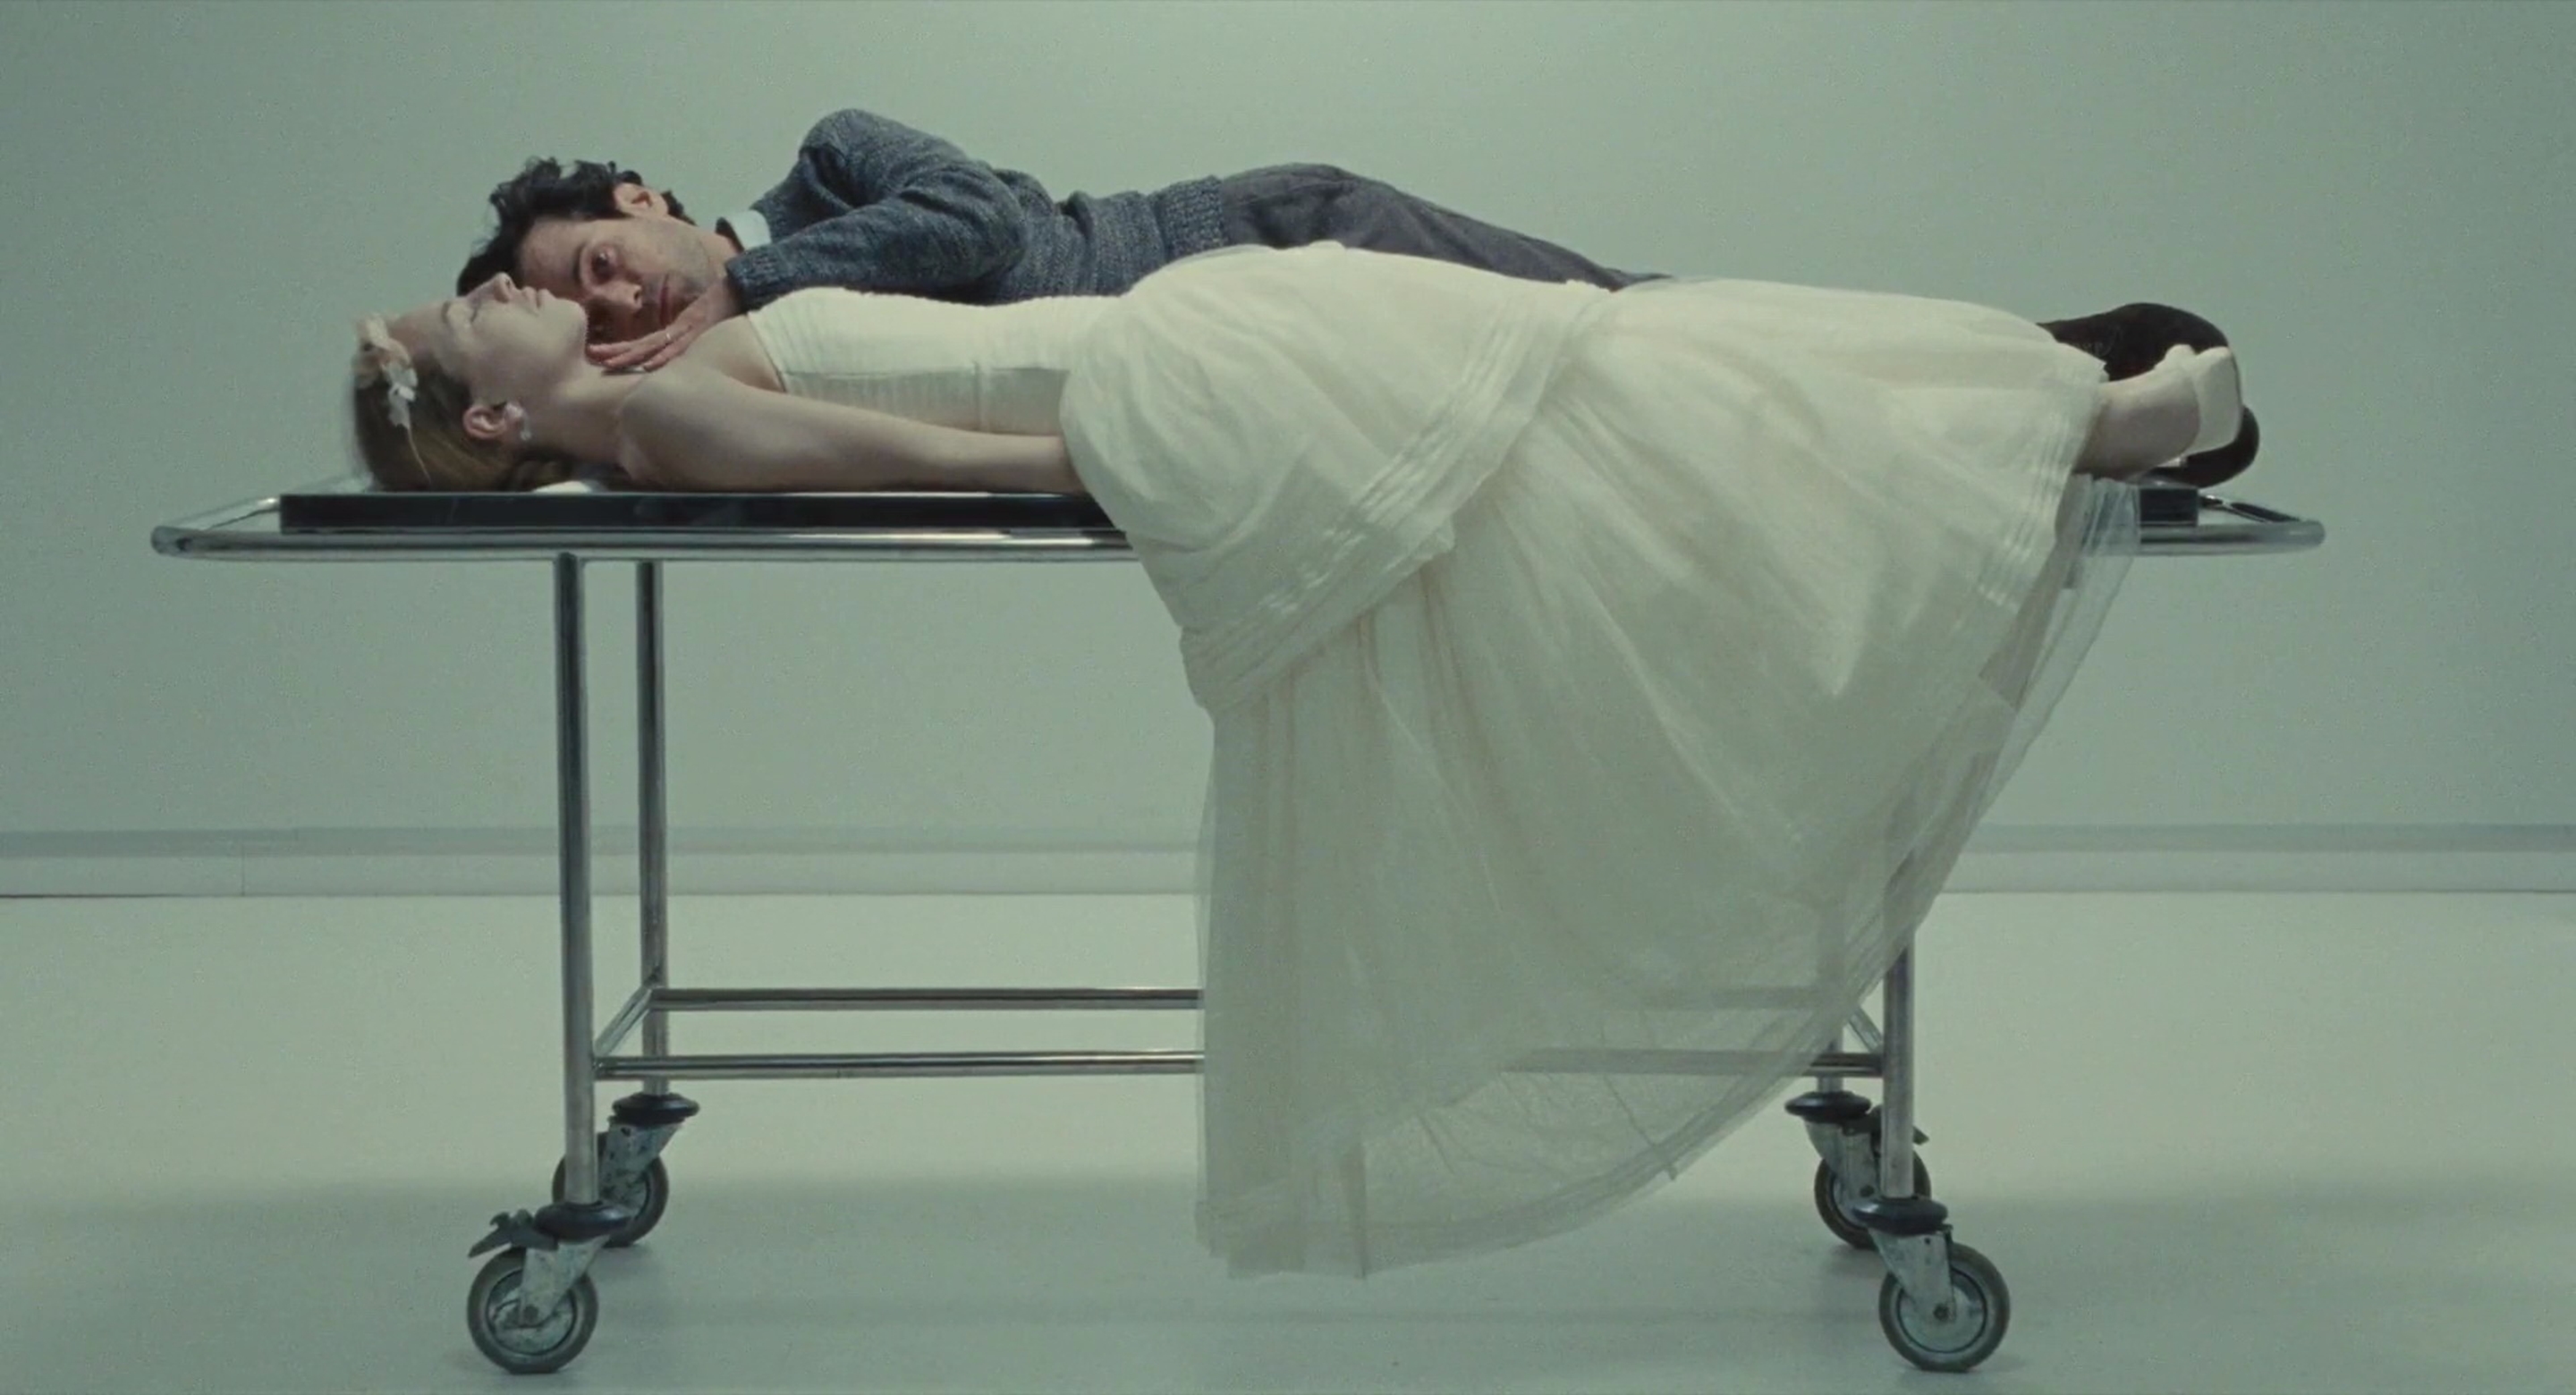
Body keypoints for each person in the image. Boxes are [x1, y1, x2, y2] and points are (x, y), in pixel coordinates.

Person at [352, 246, 2239, 1275]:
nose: (509, 285)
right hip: (1177, 385)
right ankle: (2054, 419)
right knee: (1614, 382)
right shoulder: (671, 416)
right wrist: (1206, 474)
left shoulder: (671, 381)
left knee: (1619, 374)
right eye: (482, 309)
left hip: (1184, 359)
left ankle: (2043, 408)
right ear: (499, 414)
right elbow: (962, 463)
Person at [450, 108, 2256, 484]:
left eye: (599, 260)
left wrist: (748, 278)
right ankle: (2037, 380)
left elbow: (978, 224)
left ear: (644, 200)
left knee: (1640, 324)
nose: (613, 298)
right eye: (583, 308)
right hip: (1233, 349)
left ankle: (2045, 361)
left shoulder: (831, 164)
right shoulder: (693, 365)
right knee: (1636, 373)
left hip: (1270, 243)